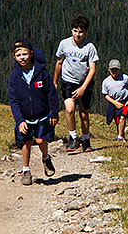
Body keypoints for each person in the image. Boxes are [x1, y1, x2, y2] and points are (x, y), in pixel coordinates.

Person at [7, 39, 59, 185]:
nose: (22, 57)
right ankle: (26, 170)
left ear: (31, 54)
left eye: (24, 54)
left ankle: (46, 157)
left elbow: (51, 94)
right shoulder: (14, 77)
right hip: (24, 117)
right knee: (26, 142)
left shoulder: (42, 73)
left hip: (42, 115)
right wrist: (19, 120)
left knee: (41, 140)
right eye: (18, 55)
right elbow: (13, 101)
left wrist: (54, 112)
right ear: (14, 57)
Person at [54, 15, 99, 152]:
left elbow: (92, 70)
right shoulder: (64, 44)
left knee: (84, 114)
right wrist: (55, 81)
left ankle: (85, 139)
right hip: (67, 81)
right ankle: (73, 138)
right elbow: (59, 62)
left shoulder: (89, 47)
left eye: (80, 32)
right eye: (75, 31)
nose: (77, 34)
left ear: (85, 32)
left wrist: (83, 88)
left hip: (84, 83)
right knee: (69, 109)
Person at [102, 59, 128, 142]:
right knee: (116, 120)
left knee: (122, 117)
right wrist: (115, 103)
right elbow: (105, 95)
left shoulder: (125, 78)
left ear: (119, 69)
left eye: (116, 69)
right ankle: (122, 136)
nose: (114, 72)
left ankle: (120, 137)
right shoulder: (106, 82)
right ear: (109, 69)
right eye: (112, 69)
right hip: (113, 102)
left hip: (124, 101)